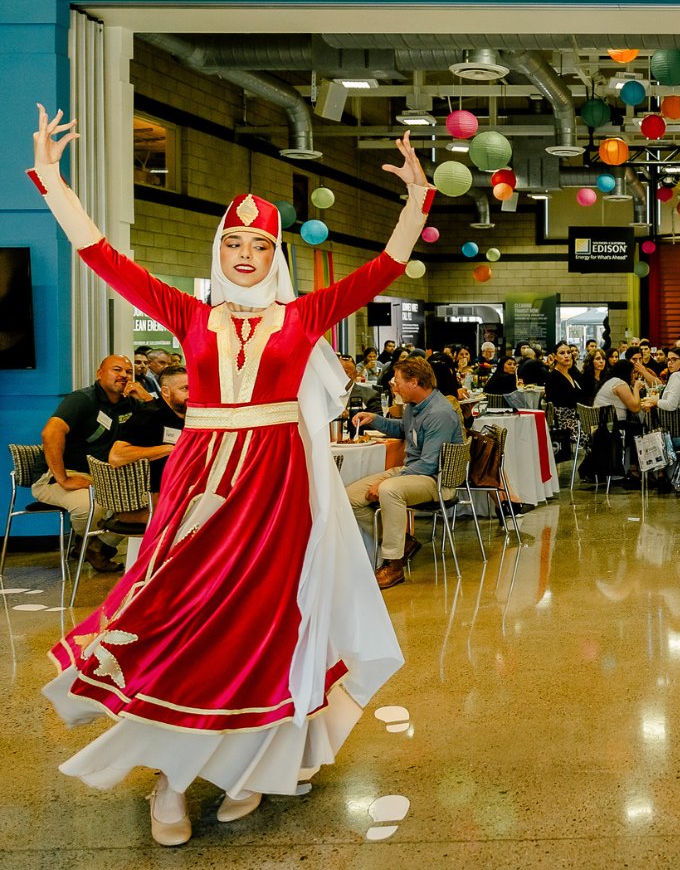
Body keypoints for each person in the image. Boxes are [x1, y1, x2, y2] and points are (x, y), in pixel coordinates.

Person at [32, 105, 433, 845]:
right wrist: (54, 182)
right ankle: (170, 780)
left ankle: (255, 765)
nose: (245, 251)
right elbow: (101, 257)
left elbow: (381, 269)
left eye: (258, 242)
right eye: (233, 241)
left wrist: (416, 202)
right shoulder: (187, 313)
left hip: (281, 493)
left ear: (274, 252)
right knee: (179, 617)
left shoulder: (305, 315)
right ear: (219, 249)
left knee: (269, 626)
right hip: (201, 487)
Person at [347, 355, 464, 589]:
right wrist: (375, 419)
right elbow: (404, 429)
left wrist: (388, 482)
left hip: (436, 479)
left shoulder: (439, 413)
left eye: (397, 381)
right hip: (413, 471)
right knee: (351, 497)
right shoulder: (414, 406)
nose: (394, 385)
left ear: (415, 382)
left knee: (389, 491)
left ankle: (393, 563)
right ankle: (405, 542)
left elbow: (429, 464)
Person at [31, 353, 146, 572]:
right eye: (117, 369)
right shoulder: (83, 399)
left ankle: (97, 547)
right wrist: (62, 478)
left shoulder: (130, 401)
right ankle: (84, 543)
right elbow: (50, 433)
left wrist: (147, 399)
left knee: (147, 501)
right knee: (91, 506)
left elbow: (162, 423)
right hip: (57, 478)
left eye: (128, 371)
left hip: (103, 477)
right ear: (99, 374)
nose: (124, 375)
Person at [107, 364, 190, 531]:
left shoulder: (192, 416)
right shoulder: (149, 416)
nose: (193, 394)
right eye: (185, 389)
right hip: (152, 498)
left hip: (179, 489)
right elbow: (116, 457)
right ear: (166, 392)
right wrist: (169, 449)